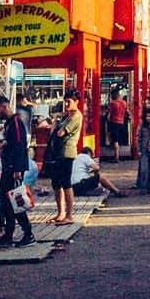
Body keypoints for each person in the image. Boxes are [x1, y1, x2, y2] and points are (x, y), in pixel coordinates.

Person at [0, 95, 35, 248]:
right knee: (5, 201)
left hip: (13, 169)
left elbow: (20, 147)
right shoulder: (9, 124)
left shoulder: (15, 122)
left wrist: (17, 169)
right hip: (8, 167)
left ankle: (28, 233)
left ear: (4, 107)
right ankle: (8, 234)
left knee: (16, 200)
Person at [45, 95, 83, 226]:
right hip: (57, 152)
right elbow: (52, 132)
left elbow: (60, 133)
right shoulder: (67, 116)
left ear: (76, 102)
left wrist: (58, 123)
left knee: (66, 183)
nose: (66, 104)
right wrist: (56, 120)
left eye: (69, 102)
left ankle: (69, 214)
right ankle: (60, 212)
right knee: (56, 183)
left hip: (67, 152)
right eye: (65, 102)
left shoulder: (75, 117)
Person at [104, 90, 129, 161]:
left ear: (112, 96)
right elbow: (127, 111)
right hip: (122, 122)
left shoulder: (112, 103)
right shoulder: (124, 102)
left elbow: (109, 115)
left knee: (115, 139)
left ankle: (116, 157)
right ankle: (118, 155)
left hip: (114, 122)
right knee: (118, 139)